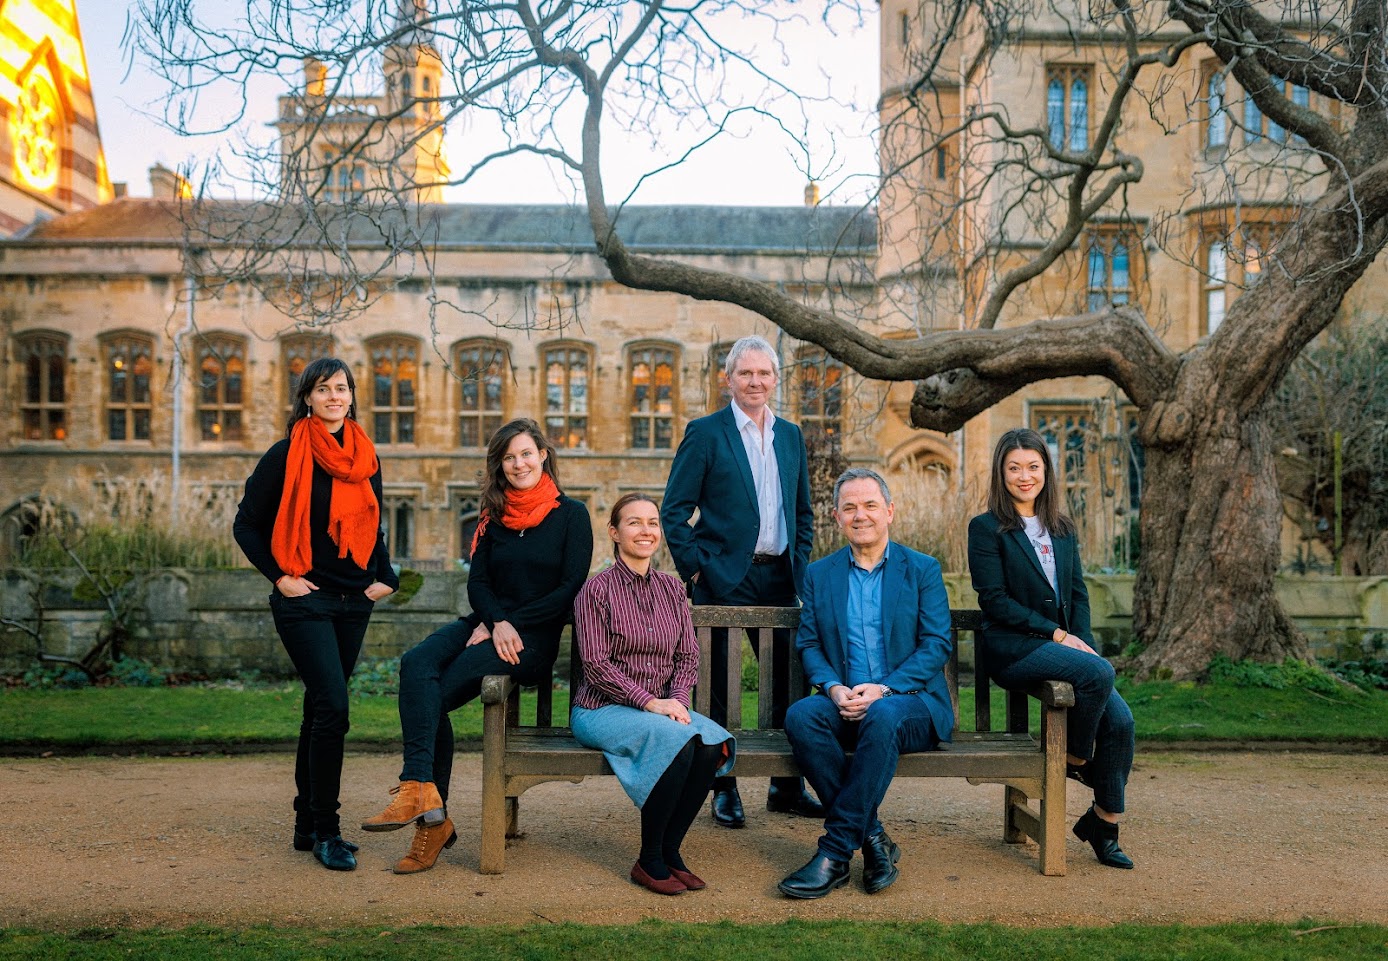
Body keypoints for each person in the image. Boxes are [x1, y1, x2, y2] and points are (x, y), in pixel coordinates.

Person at [360, 418, 592, 874]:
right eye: (508, 457)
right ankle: (424, 800)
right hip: (487, 623)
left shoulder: (572, 515)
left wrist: (508, 625)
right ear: (499, 465)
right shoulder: (493, 517)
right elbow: (478, 582)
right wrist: (492, 620)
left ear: (543, 455)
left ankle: (428, 818)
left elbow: (568, 589)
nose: (518, 463)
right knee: (416, 662)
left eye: (525, 453)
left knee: (432, 698)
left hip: (532, 639)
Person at [233, 357, 398, 872]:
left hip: (354, 602)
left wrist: (385, 576)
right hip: (305, 601)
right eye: (323, 389)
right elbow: (246, 525)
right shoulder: (285, 455)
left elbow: (374, 522)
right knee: (334, 709)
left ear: (352, 396)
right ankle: (328, 830)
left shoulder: (366, 455)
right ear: (306, 397)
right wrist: (281, 578)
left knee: (318, 712)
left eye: (342, 388)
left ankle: (306, 823)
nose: (334, 397)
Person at [660, 334, 821, 829]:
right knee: (718, 691)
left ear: (776, 379)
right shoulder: (706, 433)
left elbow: (803, 514)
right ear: (727, 378)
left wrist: (801, 561)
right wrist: (698, 567)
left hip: (779, 579)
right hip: (723, 580)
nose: (755, 382)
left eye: (764, 373)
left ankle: (786, 786)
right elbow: (674, 511)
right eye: (745, 373)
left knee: (788, 687)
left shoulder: (790, 436)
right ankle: (722, 786)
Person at [778, 468, 953, 899]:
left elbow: (936, 644)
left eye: (870, 505)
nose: (861, 515)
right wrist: (834, 688)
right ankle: (874, 839)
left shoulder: (923, 569)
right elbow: (811, 643)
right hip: (847, 701)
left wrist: (884, 689)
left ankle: (835, 852)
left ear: (889, 512)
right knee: (801, 716)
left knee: (884, 715)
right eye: (850, 507)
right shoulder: (820, 575)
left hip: (909, 705)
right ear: (837, 516)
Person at [967, 427, 1136, 869]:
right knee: (1099, 675)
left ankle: (1104, 823)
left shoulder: (1062, 528)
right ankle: (1074, 758)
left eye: (1033, 467)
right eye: (1014, 468)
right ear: (1001, 474)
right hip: (1013, 649)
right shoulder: (986, 529)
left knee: (1121, 721)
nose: (1025, 476)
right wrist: (1056, 634)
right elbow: (994, 601)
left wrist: (1083, 643)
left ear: (1047, 470)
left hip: (1062, 650)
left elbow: (1077, 594)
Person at [570, 493, 736, 895]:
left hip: (663, 708)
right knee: (678, 742)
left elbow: (687, 655)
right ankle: (649, 860)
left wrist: (677, 700)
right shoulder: (596, 592)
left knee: (712, 743)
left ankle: (671, 852)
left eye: (652, 523)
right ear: (614, 532)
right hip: (601, 709)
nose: (645, 531)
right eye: (634, 522)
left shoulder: (672, 589)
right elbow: (596, 665)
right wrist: (649, 703)